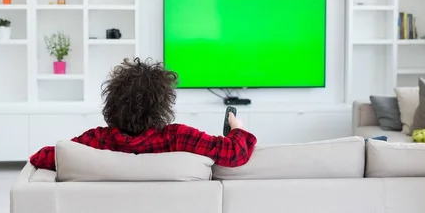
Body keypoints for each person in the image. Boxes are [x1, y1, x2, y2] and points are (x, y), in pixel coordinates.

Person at [30, 57, 257, 170]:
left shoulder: (96, 140)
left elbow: (42, 157)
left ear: (112, 101)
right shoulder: (178, 137)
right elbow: (235, 153)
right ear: (163, 104)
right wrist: (237, 129)